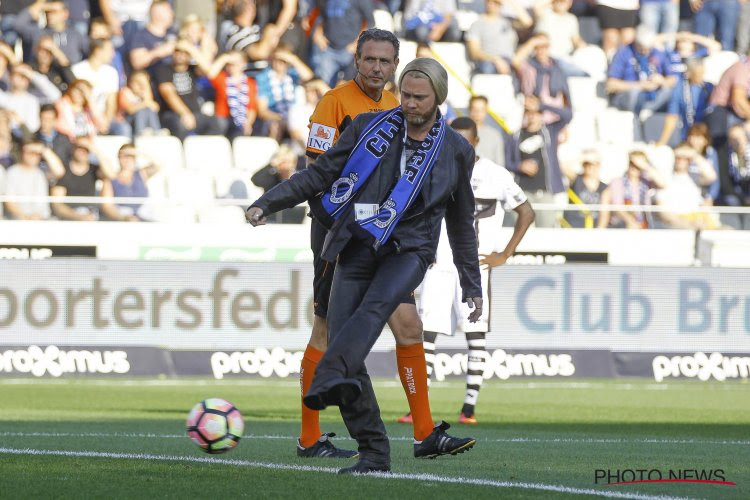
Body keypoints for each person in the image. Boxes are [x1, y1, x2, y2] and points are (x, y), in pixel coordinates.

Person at [246, 57, 481, 474]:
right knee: (341, 335)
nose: (408, 103)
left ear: (438, 98)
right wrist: (268, 201)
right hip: (356, 243)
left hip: (409, 252)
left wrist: (471, 282)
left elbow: (461, 222)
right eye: (405, 94)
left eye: (419, 97)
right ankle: (374, 452)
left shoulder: (456, 151)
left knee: (373, 313)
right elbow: (320, 175)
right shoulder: (369, 128)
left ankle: (330, 375)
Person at [412, 116, 534, 425]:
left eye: (466, 139)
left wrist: (505, 254)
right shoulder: (433, 167)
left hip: (475, 265)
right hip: (438, 264)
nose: (461, 145)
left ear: (477, 141)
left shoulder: (496, 175)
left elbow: (526, 211)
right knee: (425, 333)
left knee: (475, 335)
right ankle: (419, 408)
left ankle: (469, 408)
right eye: (455, 138)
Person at [507, 95, 573, 227]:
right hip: (522, 192)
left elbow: (568, 115)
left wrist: (542, 105)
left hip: (545, 192)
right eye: (529, 112)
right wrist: (520, 166)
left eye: (536, 113)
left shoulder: (550, 131)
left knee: (547, 235)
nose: (532, 116)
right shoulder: (515, 136)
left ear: (541, 114)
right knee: (521, 233)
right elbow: (507, 162)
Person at [155, 40, 224, 141]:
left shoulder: (193, 70)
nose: (180, 55)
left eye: (184, 52)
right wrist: (185, 114)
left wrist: (192, 49)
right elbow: (168, 94)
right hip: (172, 114)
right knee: (180, 125)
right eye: (177, 51)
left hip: (195, 114)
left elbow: (210, 72)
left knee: (218, 123)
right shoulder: (163, 69)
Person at [606, 24, 676, 122]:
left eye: (648, 49)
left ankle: (646, 113)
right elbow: (611, 85)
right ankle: (633, 119)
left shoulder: (658, 52)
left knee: (669, 90)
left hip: (651, 96)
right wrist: (640, 85)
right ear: (635, 42)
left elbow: (673, 79)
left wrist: (662, 81)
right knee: (634, 93)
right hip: (629, 95)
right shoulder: (623, 52)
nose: (644, 52)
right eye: (641, 48)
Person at [655, 142, 719, 229]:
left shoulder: (695, 177)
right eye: (677, 157)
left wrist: (693, 154)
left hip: (701, 221)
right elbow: (664, 213)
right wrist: (689, 224)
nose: (679, 160)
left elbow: (711, 176)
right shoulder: (665, 179)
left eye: (684, 158)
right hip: (679, 225)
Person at [311, 0, 374, 88]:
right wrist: (318, 31)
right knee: (322, 87)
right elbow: (321, 15)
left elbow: (370, 22)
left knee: (345, 90)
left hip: (350, 51)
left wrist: (359, 41)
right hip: (328, 50)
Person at [50, 137, 115, 221]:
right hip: (69, 220)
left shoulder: (94, 170)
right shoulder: (63, 170)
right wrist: (79, 217)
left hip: (90, 217)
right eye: (79, 147)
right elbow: (57, 205)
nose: (82, 151)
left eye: (86, 149)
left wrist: (96, 151)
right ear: (73, 148)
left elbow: (110, 174)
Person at [599, 150, 667, 228]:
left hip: (644, 225)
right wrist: (632, 222)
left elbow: (663, 184)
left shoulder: (646, 182)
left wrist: (645, 166)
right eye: (632, 163)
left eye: (638, 165)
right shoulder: (618, 182)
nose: (635, 167)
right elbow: (618, 208)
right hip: (622, 225)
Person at [466, 0, 532, 76]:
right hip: (489, 60)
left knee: (528, 68)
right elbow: (474, 52)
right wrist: (496, 59)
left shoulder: (507, 21)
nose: (494, 5)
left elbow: (527, 22)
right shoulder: (477, 25)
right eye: (491, 1)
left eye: (497, 3)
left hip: (510, 60)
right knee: (487, 68)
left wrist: (511, 2)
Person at [3, 138, 63, 220]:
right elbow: (9, 202)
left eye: (37, 153)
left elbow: (59, 171)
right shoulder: (12, 173)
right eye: (30, 152)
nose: (34, 156)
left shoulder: (42, 172)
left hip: (43, 219)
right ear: (22, 153)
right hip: (20, 220)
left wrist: (43, 149)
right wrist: (26, 217)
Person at [15, 0, 89, 64]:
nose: (49, 15)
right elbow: (18, 24)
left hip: (69, 76)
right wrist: (41, 5)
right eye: (47, 12)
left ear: (65, 14)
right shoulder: (39, 33)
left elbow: (90, 52)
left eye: (54, 12)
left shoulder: (75, 35)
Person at [100, 142, 160, 221]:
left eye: (130, 156)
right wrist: (124, 218)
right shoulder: (111, 179)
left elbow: (158, 164)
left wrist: (138, 152)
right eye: (124, 156)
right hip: (122, 219)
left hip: (144, 217)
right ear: (118, 158)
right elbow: (107, 206)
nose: (127, 159)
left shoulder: (141, 174)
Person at [250, 143, 306, 223]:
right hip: (272, 218)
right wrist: (272, 165)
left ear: (294, 163)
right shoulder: (272, 177)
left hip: (293, 218)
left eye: (287, 162)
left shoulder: (298, 179)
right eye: (282, 162)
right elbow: (256, 180)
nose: (285, 165)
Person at [562, 149, 609, 228]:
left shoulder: (604, 188)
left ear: (599, 165)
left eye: (595, 164)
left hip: (593, 229)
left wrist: (599, 231)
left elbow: (604, 214)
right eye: (587, 163)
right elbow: (562, 165)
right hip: (572, 227)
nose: (591, 167)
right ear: (583, 165)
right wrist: (581, 158)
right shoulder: (576, 179)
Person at [129, 0, 177, 75]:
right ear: (158, 14)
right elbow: (137, 63)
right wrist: (159, 52)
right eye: (169, 11)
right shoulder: (141, 36)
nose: (172, 14)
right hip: (152, 81)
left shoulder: (172, 33)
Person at [118, 70, 162, 137]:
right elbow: (130, 110)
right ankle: (140, 132)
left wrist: (146, 94)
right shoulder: (125, 92)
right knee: (141, 111)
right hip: (127, 120)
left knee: (149, 110)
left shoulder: (143, 94)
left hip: (142, 120)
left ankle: (156, 131)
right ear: (130, 82)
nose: (141, 86)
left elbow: (155, 108)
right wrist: (144, 103)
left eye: (144, 83)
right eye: (138, 83)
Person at [468, 95, 506, 167]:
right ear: (469, 110)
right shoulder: (460, 134)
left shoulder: (495, 135)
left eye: (481, 110)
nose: (477, 114)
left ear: (486, 111)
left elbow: (500, 164)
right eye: (474, 109)